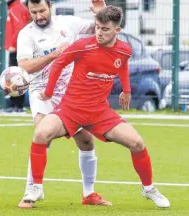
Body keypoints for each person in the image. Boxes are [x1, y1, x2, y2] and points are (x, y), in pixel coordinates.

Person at [23, 5, 171, 208]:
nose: (99, 33)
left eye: (105, 29)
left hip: (100, 113)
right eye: (98, 27)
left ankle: (148, 189)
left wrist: (126, 90)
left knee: (137, 143)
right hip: (71, 110)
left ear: (117, 30)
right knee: (41, 134)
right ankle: (35, 188)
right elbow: (58, 64)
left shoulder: (124, 50)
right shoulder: (83, 45)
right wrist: (48, 93)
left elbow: (123, 65)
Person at [16, 0, 111, 208]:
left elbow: (100, 28)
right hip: (42, 93)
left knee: (86, 141)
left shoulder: (68, 23)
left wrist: (102, 12)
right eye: (34, 12)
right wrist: (54, 54)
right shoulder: (26, 34)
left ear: (50, 6)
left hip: (70, 93)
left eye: (42, 10)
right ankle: (30, 191)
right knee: (42, 135)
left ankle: (89, 194)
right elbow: (25, 66)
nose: (39, 15)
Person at [4, 0, 30, 112]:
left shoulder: (15, 9)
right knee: (18, 75)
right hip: (19, 47)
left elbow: (19, 27)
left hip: (16, 48)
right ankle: (17, 105)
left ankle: (16, 106)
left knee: (15, 76)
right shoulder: (18, 8)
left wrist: (13, 44)